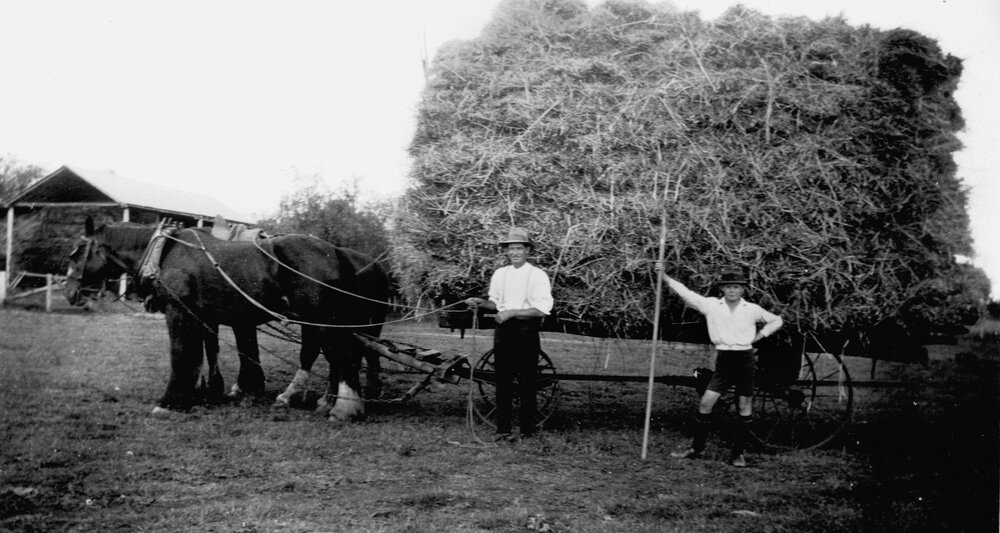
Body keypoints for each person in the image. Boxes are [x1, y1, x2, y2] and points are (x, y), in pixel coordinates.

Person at [659, 265, 783, 467]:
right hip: (724, 360)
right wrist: (664, 276)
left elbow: (776, 320)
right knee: (706, 403)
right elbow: (686, 294)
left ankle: (738, 454)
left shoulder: (751, 309)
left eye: (736, 287)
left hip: (744, 359)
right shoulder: (711, 305)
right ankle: (696, 449)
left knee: (744, 407)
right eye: (728, 287)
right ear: (722, 289)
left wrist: (759, 336)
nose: (732, 290)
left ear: (743, 290)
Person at [465, 227, 554, 443]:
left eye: (519, 248)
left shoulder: (537, 275)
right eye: (511, 248)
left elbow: (541, 309)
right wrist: (480, 303)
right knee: (502, 380)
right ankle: (503, 429)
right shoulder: (500, 274)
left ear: (527, 250)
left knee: (527, 382)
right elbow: (495, 303)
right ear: (506, 251)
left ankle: (526, 431)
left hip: (526, 330)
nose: (515, 252)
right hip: (503, 331)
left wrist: (512, 312)